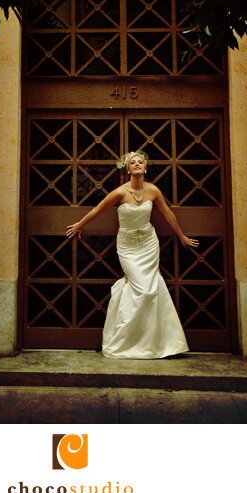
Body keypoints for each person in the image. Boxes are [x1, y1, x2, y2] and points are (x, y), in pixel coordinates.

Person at [66, 150, 199, 359]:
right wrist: (81, 224)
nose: (137, 164)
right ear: (127, 169)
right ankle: (124, 337)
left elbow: (168, 214)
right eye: (133, 162)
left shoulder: (153, 191)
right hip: (128, 247)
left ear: (145, 168)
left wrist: (181, 236)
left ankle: (156, 341)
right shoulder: (120, 193)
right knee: (141, 290)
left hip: (148, 244)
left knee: (151, 289)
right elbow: (98, 209)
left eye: (140, 162)